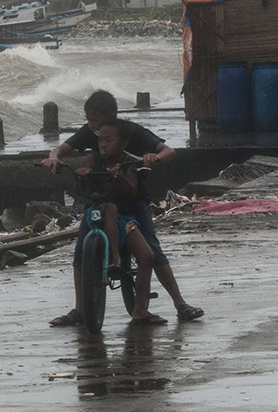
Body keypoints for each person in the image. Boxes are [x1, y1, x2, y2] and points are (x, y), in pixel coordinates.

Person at [43, 90, 204, 326]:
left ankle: (180, 304)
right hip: (101, 198)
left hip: (132, 200)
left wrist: (153, 158)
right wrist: (55, 158)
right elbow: (60, 150)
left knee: (152, 249)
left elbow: (168, 151)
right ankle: (80, 309)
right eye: (89, 123)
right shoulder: (91, 134)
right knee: (80, 253)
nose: (94, 130)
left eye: (95, 121)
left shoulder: (131, 133)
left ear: (111, 117)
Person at [75, 119, 158, 324]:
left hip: (123, 218)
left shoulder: (127, 163)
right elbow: (80, 189)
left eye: (109, 140)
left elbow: (132, 190)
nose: (103, 144)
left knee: (147, 256)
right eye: (100, 140)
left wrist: (118, 178)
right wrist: (82, 176)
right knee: (104, 211)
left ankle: (139, 309)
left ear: (122, 144)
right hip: (96, 214)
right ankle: (113, 258)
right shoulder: (92, 159)